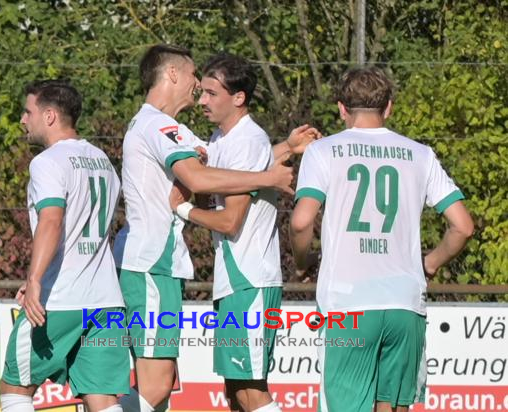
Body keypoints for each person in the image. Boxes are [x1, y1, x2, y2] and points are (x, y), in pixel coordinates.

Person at [116, 44, 318, 412]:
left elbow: (237, 164)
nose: (198, 90)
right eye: (197, 79)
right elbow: (201, 176)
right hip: (154, 265)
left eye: (210, 89)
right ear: (173, 74)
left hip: (219, 274)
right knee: (166, 387)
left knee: (237, 392)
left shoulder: (170, 128)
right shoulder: (160, 125)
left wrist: (284, 150)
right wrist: (268, 174)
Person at [290, 67, 474, 412]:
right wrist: (430, 262)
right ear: (388, 107)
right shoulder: (420, 154)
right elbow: (463, 226)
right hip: (405, 301)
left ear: (341, 108)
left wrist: (303, 262)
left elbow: (301, 222)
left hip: (349, 304)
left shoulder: (324, 151)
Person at [170, 52, 300, 412]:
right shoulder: (223, 138)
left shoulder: (246, 139)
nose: (202, 100)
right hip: (235, 280)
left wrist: (182, 209)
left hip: (250, 279)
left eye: (212, 93)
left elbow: (230, 222)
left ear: (238, 98)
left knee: (250, 392)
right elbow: (251, 169)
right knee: (234, 393)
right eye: (203, 92)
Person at [0, 80, 129, 412]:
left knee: (15, 385)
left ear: (51, 116)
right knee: (100, 397)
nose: (23, 120)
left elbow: (52, 221)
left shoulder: (47, 162)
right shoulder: (102, 161)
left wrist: (34, 280)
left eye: (28, 112)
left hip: (60, 298)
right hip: (106, 300)